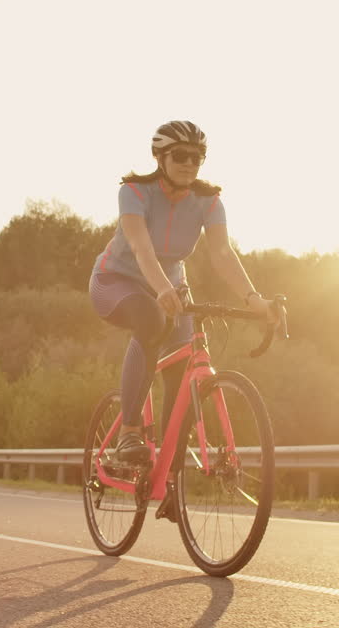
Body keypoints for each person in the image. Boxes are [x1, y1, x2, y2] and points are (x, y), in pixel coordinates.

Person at [88, 120, 282, 477]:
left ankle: (169, 477)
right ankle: (129, 432)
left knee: (181, 375)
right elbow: (141, 247)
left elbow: (223, 254)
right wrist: (162, 288)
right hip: (116, 281)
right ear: (159, 157)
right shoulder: (134, 192)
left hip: (172, 287)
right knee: (150, 321)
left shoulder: (208, 200)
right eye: (180, 155)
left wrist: (255, 300)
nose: (190, 163)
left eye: (197, 157)